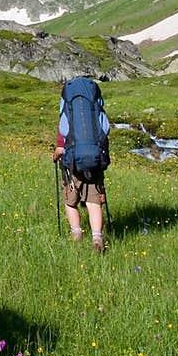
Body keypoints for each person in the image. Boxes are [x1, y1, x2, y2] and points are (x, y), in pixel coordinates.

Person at [53, 76, 110, 253]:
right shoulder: (95, 109)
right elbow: (105, 130)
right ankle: (97, 237)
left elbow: (63, 134)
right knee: (94, 201)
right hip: (94, 159)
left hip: (72, 163)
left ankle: (76, 233)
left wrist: (57, 153)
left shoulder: (69, 109)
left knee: (71, 202)